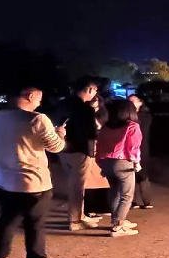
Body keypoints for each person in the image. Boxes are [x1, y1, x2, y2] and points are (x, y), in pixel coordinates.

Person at [0, 86, 67, 258]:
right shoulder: (37, 118)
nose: (40, 103)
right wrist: (60, 133)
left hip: (2, 180)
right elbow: (56, 147)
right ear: (30, 96)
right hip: (32, 181)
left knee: (7, 219)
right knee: (34, 222)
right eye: (39, 99)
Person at [55, 78, 101, 231]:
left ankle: (78, 215)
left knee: (72, 183)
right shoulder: (85, 109)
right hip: (80, 150)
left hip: (62, 149)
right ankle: (75, 220)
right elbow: (91, 133)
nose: (95, 94)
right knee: (78, 186)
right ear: (89, 89)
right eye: (94, 90)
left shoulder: (62, 104)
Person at [95, 99, 142, 237]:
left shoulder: (106, 127)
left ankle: (116, 220)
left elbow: (99, 146)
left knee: (114, 192)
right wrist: (136, 162)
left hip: (106, 162)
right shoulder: (132, 126)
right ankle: (118, 225)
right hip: (123, 163)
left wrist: (100, 163)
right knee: (126, 195)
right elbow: (133, 147)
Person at [83, 95, 110, 217]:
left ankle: (104, 207)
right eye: (92, 100)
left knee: (103, 179)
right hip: (89, 149)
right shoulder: (85, 114)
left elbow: (102, 127)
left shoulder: (104, 113)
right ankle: (90, 208)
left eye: (96, 100)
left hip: (101, 148)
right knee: (89, 180)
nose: (93, 102)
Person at [128, 94, 155, 207]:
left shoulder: (145, 116)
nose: (131, 103)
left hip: (141, 147)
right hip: (128, 148)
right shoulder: (125, 116)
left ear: (140, 103)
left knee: (143, 174)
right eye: (129, 101)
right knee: (130, 174)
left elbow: (142, 131)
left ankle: (146, 201)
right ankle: (132, 201)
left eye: (134, 100)